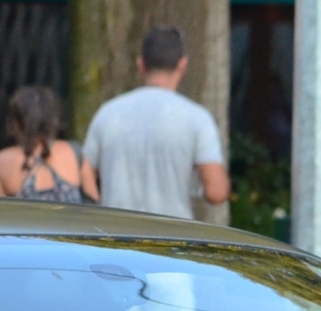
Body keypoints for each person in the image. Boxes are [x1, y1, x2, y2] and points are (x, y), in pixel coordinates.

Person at [81, 26, 230, 219]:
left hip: (116, 235)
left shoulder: (108, 113)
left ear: (141, 64)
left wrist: (100, 208)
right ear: (182, 65)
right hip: (171, 238)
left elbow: (85, 172)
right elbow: (216, 192)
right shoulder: (197, 118)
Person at [0, 84, 90, 203]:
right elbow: (95, 203)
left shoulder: (3, 160)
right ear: (53, 118)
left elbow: (2, 214)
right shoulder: (73, 151)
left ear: (16, 122)